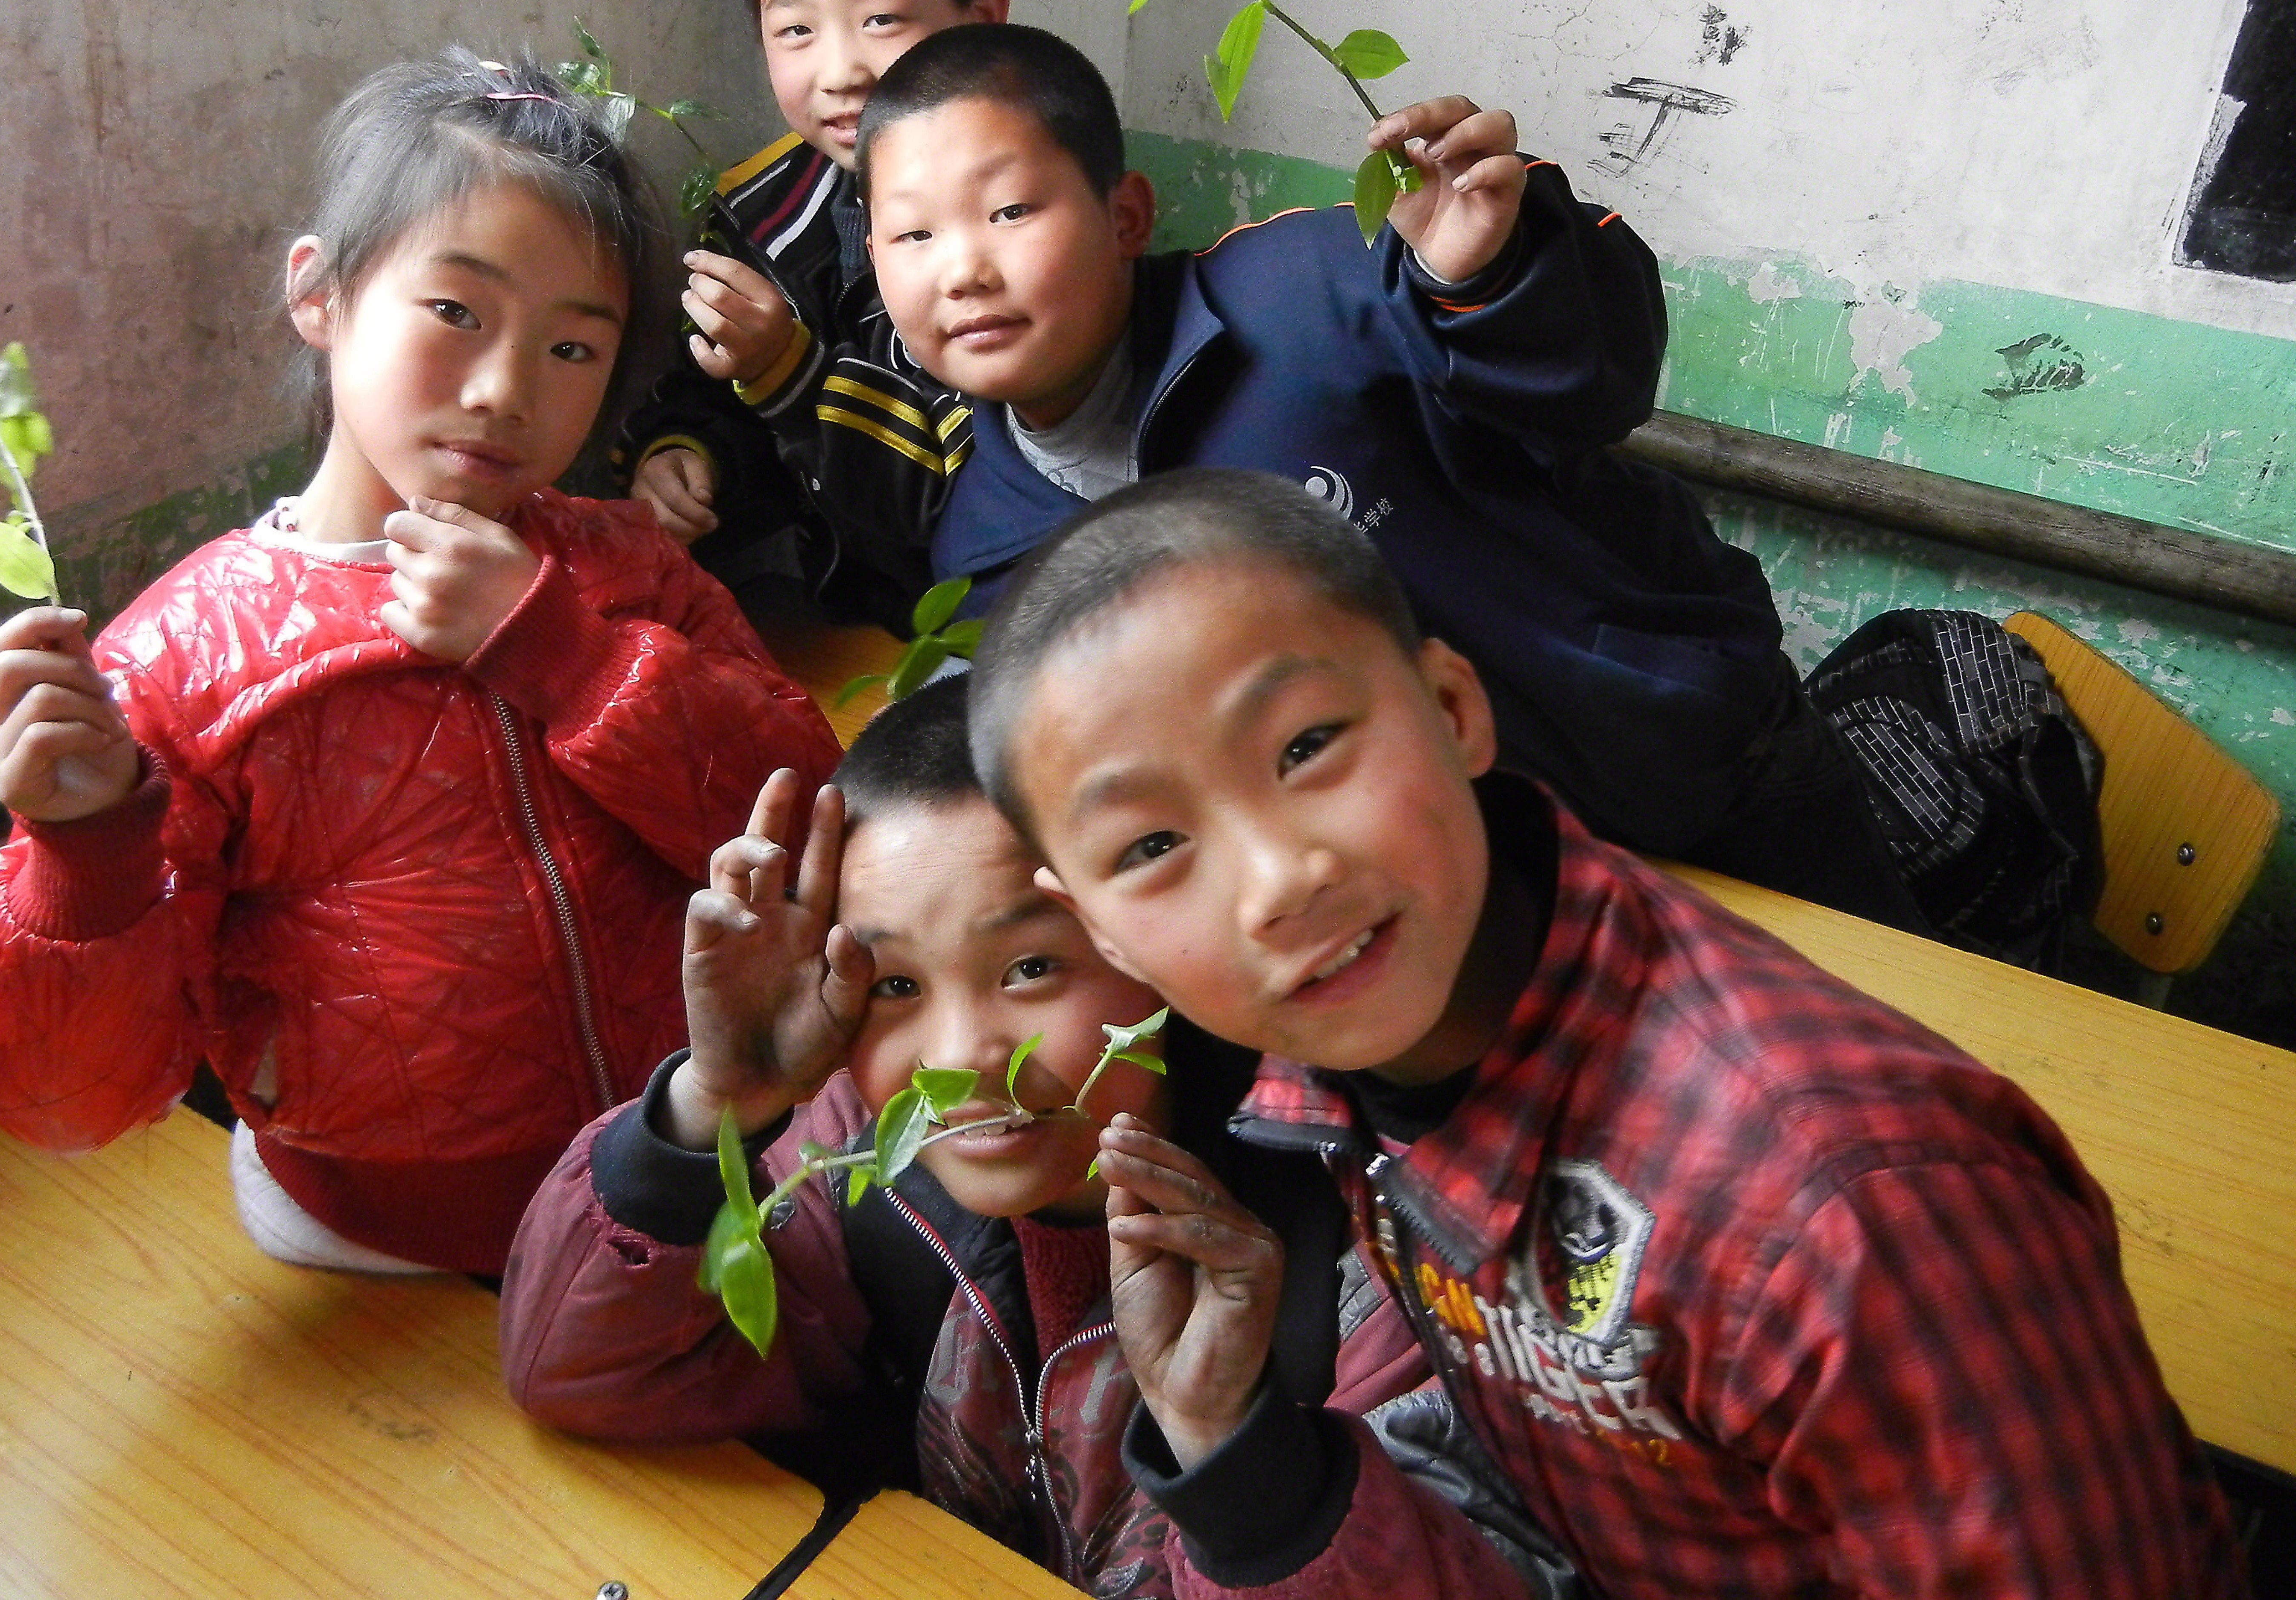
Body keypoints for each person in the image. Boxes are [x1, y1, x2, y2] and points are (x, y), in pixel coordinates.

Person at [963, 466, 2248, 1600]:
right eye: (1152, 845)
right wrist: (1232, 1441)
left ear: (1456, 707)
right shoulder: (1350, 1031)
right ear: (1107, 936)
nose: (1272, 881)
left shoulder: (1846, 1212)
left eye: (1306, 745)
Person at [0, 49, 841, 1279]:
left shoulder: (624, 572)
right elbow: (68, 1103)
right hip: (380, 1243)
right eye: (457, 312)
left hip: (686, 1162)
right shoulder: (178, 664)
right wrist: (82, 856)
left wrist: (573, 663)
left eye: (573, 350)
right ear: (319, 293)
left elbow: (805, 822)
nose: (503, 389)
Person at [499, 678, 1571, 1600]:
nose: (961, 1054)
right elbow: (576, 1369)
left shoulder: (1367, 1251)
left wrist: (1234, 1445)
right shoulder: (865, 1162)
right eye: (897, 987)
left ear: (1151, 943)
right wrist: (716, 1107)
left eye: (1030, 970)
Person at [847, 21, 1924, 928]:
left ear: (1126, 216)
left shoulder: (1312, 289)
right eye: (913, 235)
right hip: (1465, 901)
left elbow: (1598, 382)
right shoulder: (992, 550)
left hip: (1705, 774)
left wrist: (1490, 275)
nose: (965, 269)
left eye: (1010, 212)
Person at [615, 0, 1008, 630]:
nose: (840, 73)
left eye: (882, 20)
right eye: (796, 30)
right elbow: (706, 394)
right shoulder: (760, 215)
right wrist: (685, 458)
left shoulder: (1021, 218)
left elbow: (963, 481)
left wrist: (790, 375)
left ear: (983, 15)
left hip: (983, 613)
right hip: (822, 608)